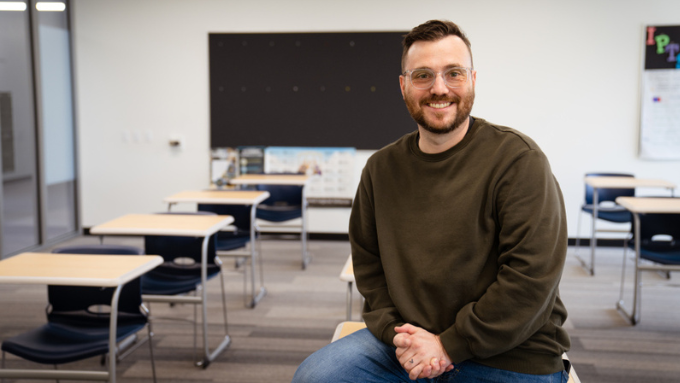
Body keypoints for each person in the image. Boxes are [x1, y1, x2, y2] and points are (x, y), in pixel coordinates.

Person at [292, 19, 570, 383]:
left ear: (472, 79)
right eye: (423, 75)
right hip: (406, 344)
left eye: (453, 73)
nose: (439, 88)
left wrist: (447, 346)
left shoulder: (519, 161)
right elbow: (369, 267)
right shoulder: (381, 169)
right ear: (403, 85)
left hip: (510, 352)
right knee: (314, 377)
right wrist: (397, 335)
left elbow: (530, 280)